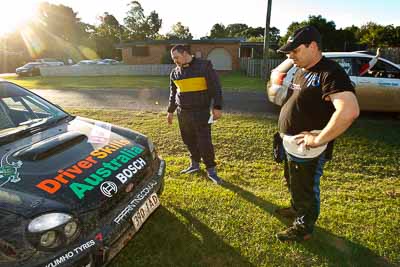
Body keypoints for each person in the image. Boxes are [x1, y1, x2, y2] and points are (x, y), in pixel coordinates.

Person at [274, 26, 360, 242]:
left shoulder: (330, 72)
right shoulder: (303, 69)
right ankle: (296, 209)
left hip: (309, 148)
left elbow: (349, 111)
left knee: (306, 188)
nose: (290, 56)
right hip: (291, 143)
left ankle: (303, 228)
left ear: (312, 46)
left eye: (295, 51)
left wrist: (319, 139)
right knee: (293, 181)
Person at [166, 45, 223, 184]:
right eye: (173, 59)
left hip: (201, 112)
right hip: (182, 113)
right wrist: (170, 111)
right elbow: (173, 94)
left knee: (204, 142)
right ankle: (195, 165)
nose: (175, 61)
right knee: (188, 140)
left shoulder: (204, 67)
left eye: (176, 57)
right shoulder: (175, 73)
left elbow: (216, 87)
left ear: (185, 53)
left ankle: (211, 170)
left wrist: (217, 107)